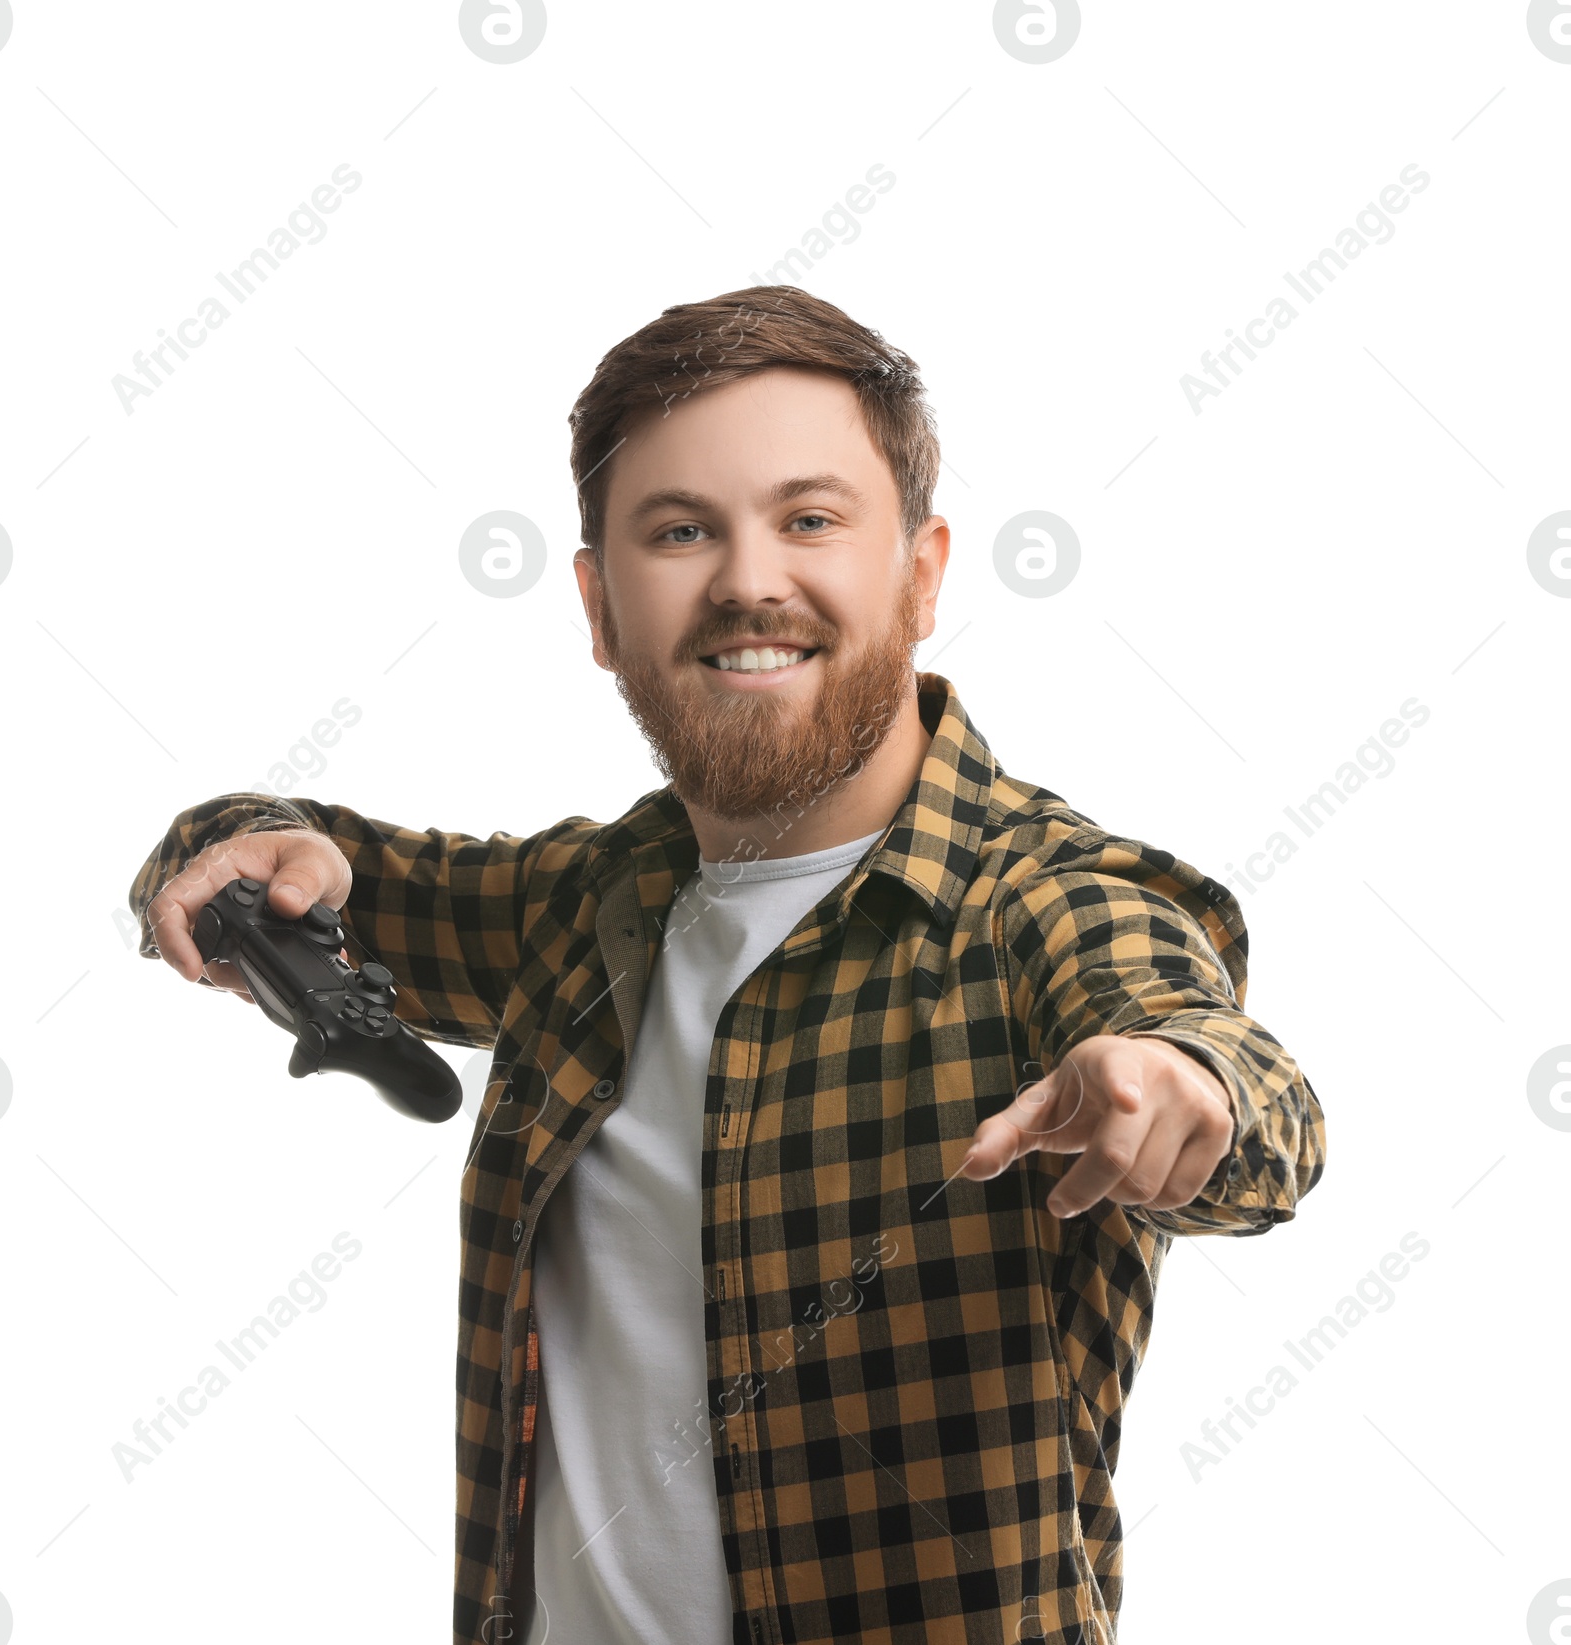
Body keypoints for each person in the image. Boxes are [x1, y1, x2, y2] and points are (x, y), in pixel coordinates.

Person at [130, 285, 1326, 1645]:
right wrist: (244, 844)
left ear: (921, 574)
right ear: (598, 603)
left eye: (809, 519)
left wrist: (1178, 1083)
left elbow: (1220, 1067)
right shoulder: (587, 908)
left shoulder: (1042, 899)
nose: (750, 578)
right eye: (681, 529)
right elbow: (273, 855)